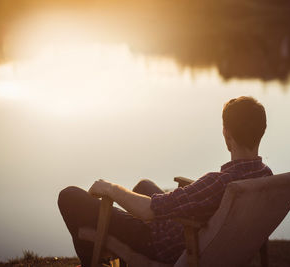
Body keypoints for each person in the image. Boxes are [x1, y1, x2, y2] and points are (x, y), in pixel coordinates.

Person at [58, 96, 273, 266]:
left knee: (69, 197)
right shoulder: (267, 178)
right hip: (204, 235)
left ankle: (93, 262)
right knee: (144, 185)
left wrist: (110, 188)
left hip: (163, 244)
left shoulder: (219, 183)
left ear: (227, 135)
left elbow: (148, 211)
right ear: (261, 132)